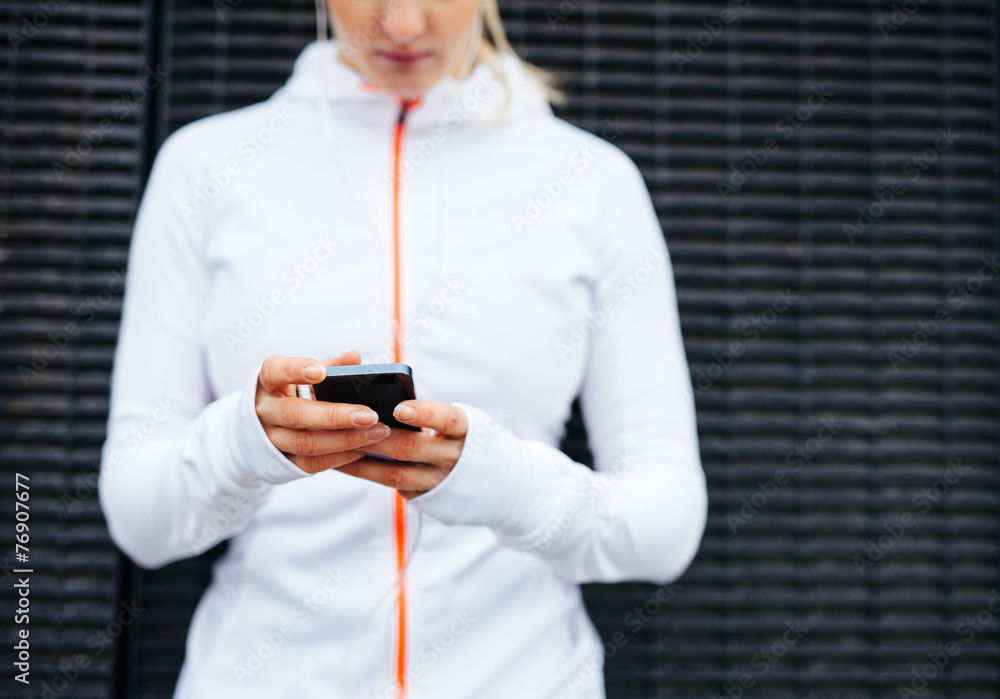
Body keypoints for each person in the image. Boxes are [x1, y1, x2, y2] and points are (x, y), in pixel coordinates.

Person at [98, 0, 708, 696]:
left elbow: (665, 525)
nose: (404, 25)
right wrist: (245, 445)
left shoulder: (592, 181)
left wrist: (501, 482)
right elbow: (140, 517)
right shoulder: (204, 167)